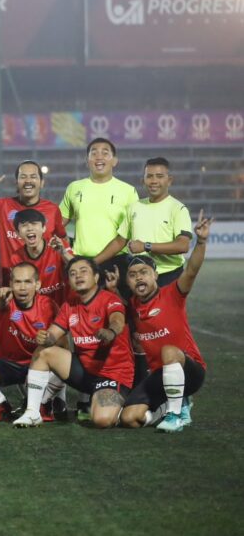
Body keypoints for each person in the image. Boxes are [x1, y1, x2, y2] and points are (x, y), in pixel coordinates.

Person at [59, 138, 138, 418]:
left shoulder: (128, 192)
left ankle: (130, 387)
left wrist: (93, 263)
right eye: (94, 152)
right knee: (80, 328)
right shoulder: (75, 188)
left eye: (106, 152)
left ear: (115, 160)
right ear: (87, 159)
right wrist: (71, 256)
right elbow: (59, 225)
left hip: (112, 264)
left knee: (121, 327)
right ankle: (86, 394)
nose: (99, 156)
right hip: (80, 268)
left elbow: (123, 237)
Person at [13, 256, 134, 428]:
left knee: (101, 420)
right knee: (43, 352)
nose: (78, 276)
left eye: (83, 271)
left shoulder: (109, 299)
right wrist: (46, 338)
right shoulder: (70, 304)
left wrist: (111, 332)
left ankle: (126, 406)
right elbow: (53, 334)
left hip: (112, 374)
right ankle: (33, 413)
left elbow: (117, 320)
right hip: (84, 372)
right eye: (73, 273)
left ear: (96, 277)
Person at [119, 211, 212, 433]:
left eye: (144, 272)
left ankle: (175, 413)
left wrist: (201, 241)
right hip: (161, 375)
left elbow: (191, 270)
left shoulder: (172, 294)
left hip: (190, 370)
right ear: (128, 282)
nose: (139, 277)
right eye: (133, 275)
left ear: (155, 275)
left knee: (169, 350)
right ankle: (170, 408)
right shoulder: (131, 305)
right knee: (129, 418)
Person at [0, 262, 61, 422]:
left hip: (37, 366)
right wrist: (2, 297)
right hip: (6, 364)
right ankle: (0, 403)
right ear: (10, 284)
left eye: (27, 282)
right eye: (17, 282)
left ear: (37, 285)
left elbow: (63, 344)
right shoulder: (4, 301)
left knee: (63, 364)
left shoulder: (49, 306)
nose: (22, 288)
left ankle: (43, 403)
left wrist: (48, 340)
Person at [95, 157, 193, 288]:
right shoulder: (134, 207)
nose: (154, 181)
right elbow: (119, 241)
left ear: (169, 181)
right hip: (138, 275)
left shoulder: (178, 209)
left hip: (168, 275)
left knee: (166, 309)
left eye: (159, 176)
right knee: (136, 309)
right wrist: (93, 262)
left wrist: (146, 246)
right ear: (143, 181)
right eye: (149, 176)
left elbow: (182, 245)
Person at [0, 161, 67, 289]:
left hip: (45, 288)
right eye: (23, 177)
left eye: (33, 176)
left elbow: (62, 241)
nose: (28, 181)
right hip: (9, 287)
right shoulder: (1, 207)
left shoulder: (53, 210)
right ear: (16, 183)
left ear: (42, 183)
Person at [3, 209, 74, 305]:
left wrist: (63, 253)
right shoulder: (16, 258)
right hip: (39, 312)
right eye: (24, 225)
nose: (30, 228)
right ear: (17, 233)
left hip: (66, 307)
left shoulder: (59, 246)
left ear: (44, 228)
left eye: (34, 224)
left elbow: (77, 268)